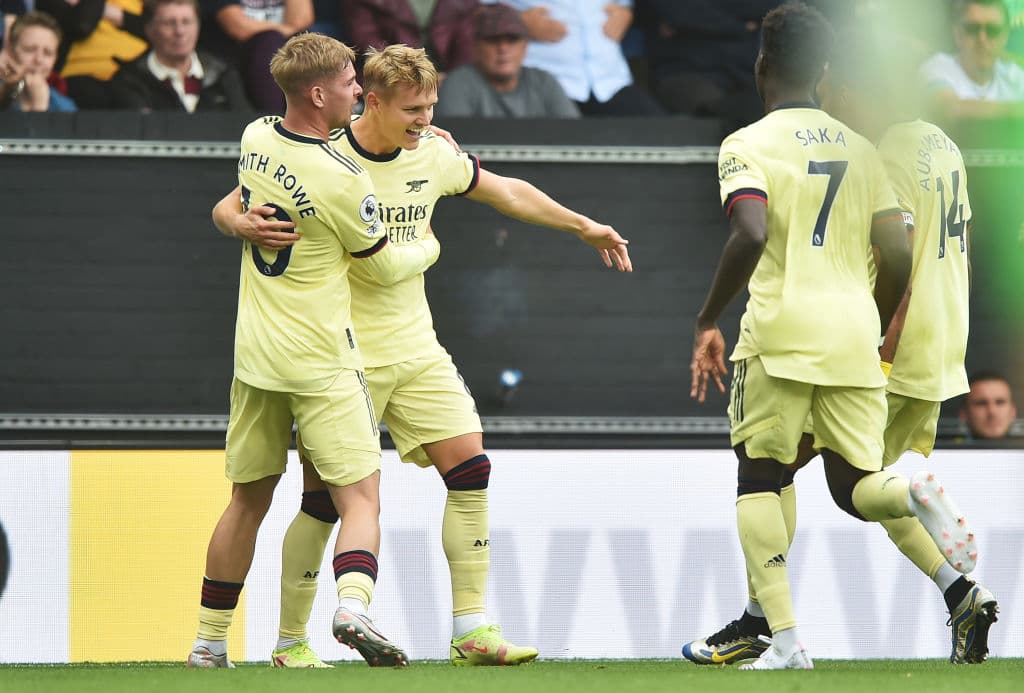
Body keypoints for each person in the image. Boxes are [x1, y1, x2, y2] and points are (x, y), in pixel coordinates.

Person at [212, 43, 631, 668]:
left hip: (415, 348)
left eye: (430, 106)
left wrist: (582, 225)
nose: (424, 119)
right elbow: (243, 197)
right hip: (343, 357)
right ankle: (291, 640)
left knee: (470, 467)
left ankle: (470, 629)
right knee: (324, 502)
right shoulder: (329, 157)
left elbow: (505, 191)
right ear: (369, 102)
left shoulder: (433, 151)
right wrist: (235, 220)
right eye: (412, 108)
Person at [683, 25, 999, 668]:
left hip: (818, 339)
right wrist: (869, 324)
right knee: (849, 482)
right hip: (888, 340)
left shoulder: (758, 143)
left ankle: (774, 630)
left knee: (764, 475)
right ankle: (940, 562)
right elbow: (906, 249)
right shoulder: (898, 148)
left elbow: (756, 232)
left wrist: (708, 318)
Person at [187, 32, 444, 669]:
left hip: (256, 356)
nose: (360, 91)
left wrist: (236, 223)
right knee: (360, 499)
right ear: (319, 91)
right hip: (323, 359)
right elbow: (385, 270)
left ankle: (208, 645)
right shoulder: (342, 178)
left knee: (247, 501)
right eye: (352, 83)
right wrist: (432, 242)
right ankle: (352, 607)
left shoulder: (256, 137)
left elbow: (230, 206)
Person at [481, 0, 664, 116]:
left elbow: (626, 6)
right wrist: (516, 21)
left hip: (609, 79)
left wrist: (627, 11)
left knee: (661, 136)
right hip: (544, 80)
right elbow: (476, 11)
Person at [436, 2, 580, 118]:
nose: (503, 49)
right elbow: (454, 146)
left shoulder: (544, 82)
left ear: (525, 46)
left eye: (512, 40)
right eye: (493, 40)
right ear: (476, 47)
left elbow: (575, 135)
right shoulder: (458, 84)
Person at [109, 0, 249, 111]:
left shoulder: (224, 76)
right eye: (169, 23)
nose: (180, 31)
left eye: (187, 22)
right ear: (150, 30)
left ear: (198, 26)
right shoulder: (129, 81)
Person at [198, 0, 313, 112]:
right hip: (234, 56)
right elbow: (238, 27)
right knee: (269, 42)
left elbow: (301, 19)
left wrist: (285, 32)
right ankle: (272, 123)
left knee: (307, 46)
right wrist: (285, 30)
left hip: (284, 52)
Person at [920, 0, 1024, 120]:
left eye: (992, 30)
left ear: (1004, 36)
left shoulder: (1015, 77)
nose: (982, 39)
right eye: (972, 29)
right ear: (957, 33)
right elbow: (950, 109)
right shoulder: (937, 67)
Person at [36, 0, 149, 108]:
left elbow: (153, 30)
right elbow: (82, 25)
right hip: (80, 75)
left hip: (134, 77)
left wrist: (112, 13)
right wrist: (112, 13)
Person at [343, 0, 478, 80]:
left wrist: (450, 81)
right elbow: (365, 39)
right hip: (388, 74)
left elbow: (466, 45)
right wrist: (405, 72)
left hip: (445, 78)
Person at [0, 10, 77, 111]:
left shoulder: (66, 108)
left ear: (55, 59)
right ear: (11, 52)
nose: (38, 60)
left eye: (48, 53)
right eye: (30, 49)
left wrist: (40, 107)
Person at [961, 371, 1018, 439]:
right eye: (981, 403)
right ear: (964, 414)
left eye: (1000, 402)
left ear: (1013, 411)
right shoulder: (949, 449)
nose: (992, 412)